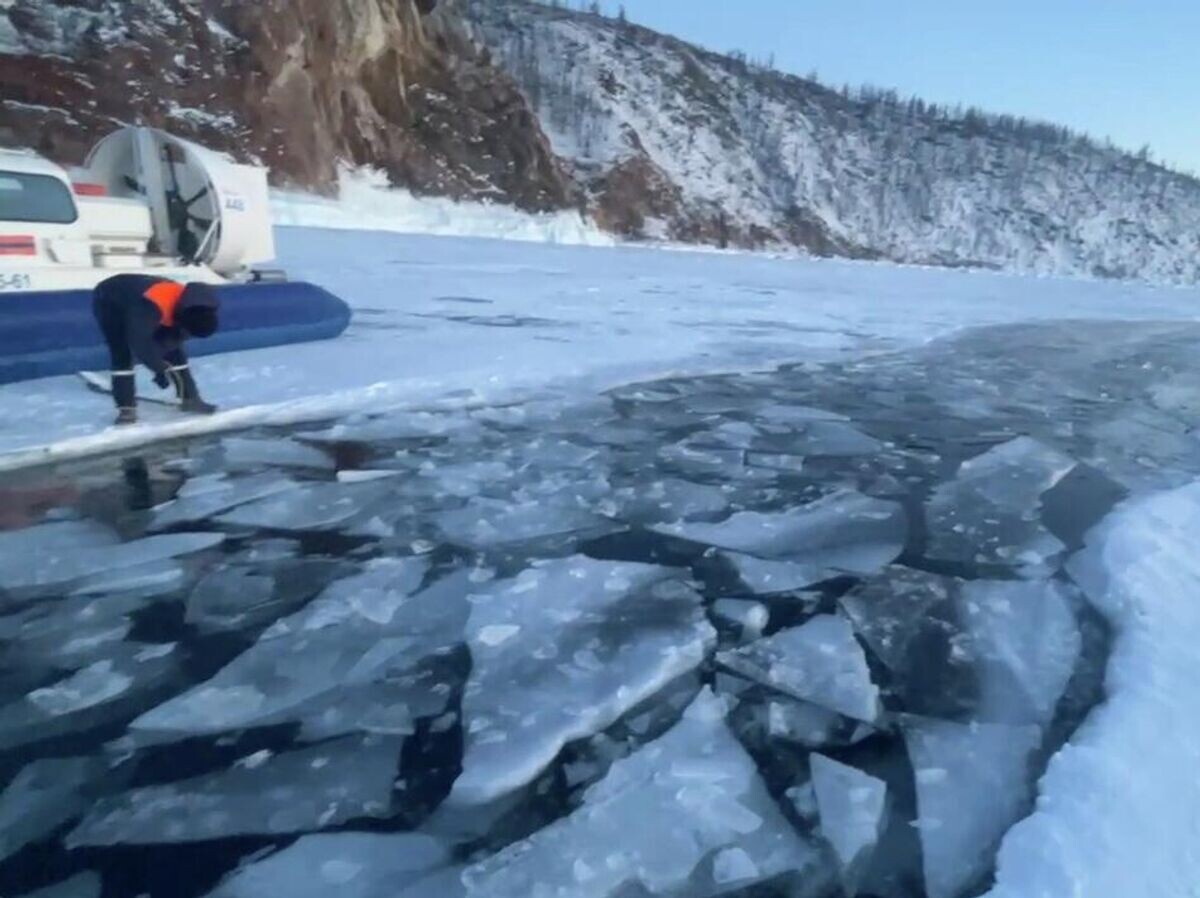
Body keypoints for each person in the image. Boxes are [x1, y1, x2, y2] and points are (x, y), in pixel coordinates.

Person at [92, 274, 220, 425]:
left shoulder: (200, 307)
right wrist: (159, 368)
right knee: (122, 352)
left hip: (147, 296)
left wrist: (163, 362)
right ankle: (126, 409)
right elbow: (139, 343)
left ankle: (190, 399)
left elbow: (175, 339)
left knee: (176, 352)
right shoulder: (150, 307)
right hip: (111, 299)